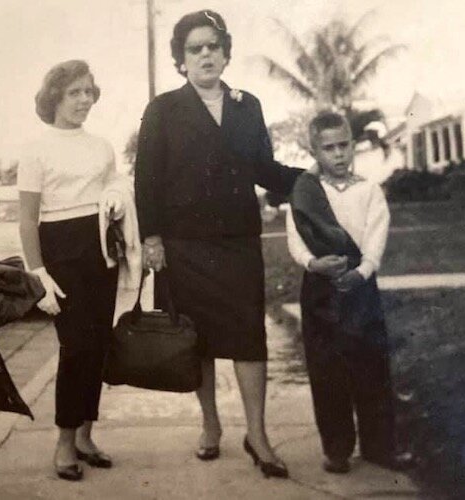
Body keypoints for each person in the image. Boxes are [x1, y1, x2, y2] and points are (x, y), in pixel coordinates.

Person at [134, 10, 304, 479]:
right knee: (198, 341)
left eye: (213, 46)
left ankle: (258, 435)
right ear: (181, 60)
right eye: (195, 48)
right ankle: (210, 425)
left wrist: (310, 181)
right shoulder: (163, 109)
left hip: (237, 242)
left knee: (250, 338)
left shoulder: (248, 106)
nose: (206, 54)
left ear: (226, 52)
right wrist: (152, 238)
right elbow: (145, 180)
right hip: (183, 246)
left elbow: (264, 170)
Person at [17, 60, 128, 481]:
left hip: (100, 249)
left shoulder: (101, 145)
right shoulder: (37, 149)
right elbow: (28, 219)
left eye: (88, 92)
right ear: (55, 98)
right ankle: (63, 442)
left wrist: (116, 197)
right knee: (76, 346)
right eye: (74, 93)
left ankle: (85, 435)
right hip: (60, 253)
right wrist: (38, 274)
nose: (84, 100)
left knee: (98, 344)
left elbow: (115, 185)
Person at [286, 111, 413, 474]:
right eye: (329, 148)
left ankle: (380, 446)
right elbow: (296, 237)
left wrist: (364, 270)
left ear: (353, 146)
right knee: (327, 368)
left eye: (344, 145)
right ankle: (337, 448)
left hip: (361, 288)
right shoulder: (307, 192)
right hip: (320, 289)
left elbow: (376, 234)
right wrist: (313, 264)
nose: (339, 154)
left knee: (370, 364)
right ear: (315, 151)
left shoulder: (369, 190)